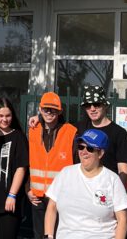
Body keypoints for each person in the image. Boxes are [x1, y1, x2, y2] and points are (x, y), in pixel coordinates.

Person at [44, 129, 127, 239]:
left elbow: (122, 219)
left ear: (100, 153)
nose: (83, 152)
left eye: (90, 148)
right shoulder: (65, 173)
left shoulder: (112, 179)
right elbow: (52, 207)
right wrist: (48, 236)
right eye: (81, 147)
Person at [27, 92, 77, 239]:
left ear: (60, 111)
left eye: (53, 110)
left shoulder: (71, 132)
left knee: (57, 235)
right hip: (37, 197)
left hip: (60, 197)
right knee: (39, 235)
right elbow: (26, 161)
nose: (49, 112)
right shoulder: (32, 130)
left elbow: (77, 166)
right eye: (46, 109)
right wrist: (27, 189)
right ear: (40, 109)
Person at [0, 97, 29, 239]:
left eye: (8, 115)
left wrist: (12, 195)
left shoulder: (18, 137)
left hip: (9, 201)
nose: (4, 119)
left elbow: (21, 168)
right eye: (0, 116)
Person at [75, 86, 127, 185]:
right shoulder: (79, 128)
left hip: (107, 187)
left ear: (105, 105)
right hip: (82, 186)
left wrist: (118, 191)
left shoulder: (119, 133)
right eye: (88, 105)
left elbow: (123, 170)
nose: (92, 109)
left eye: (96, 104)